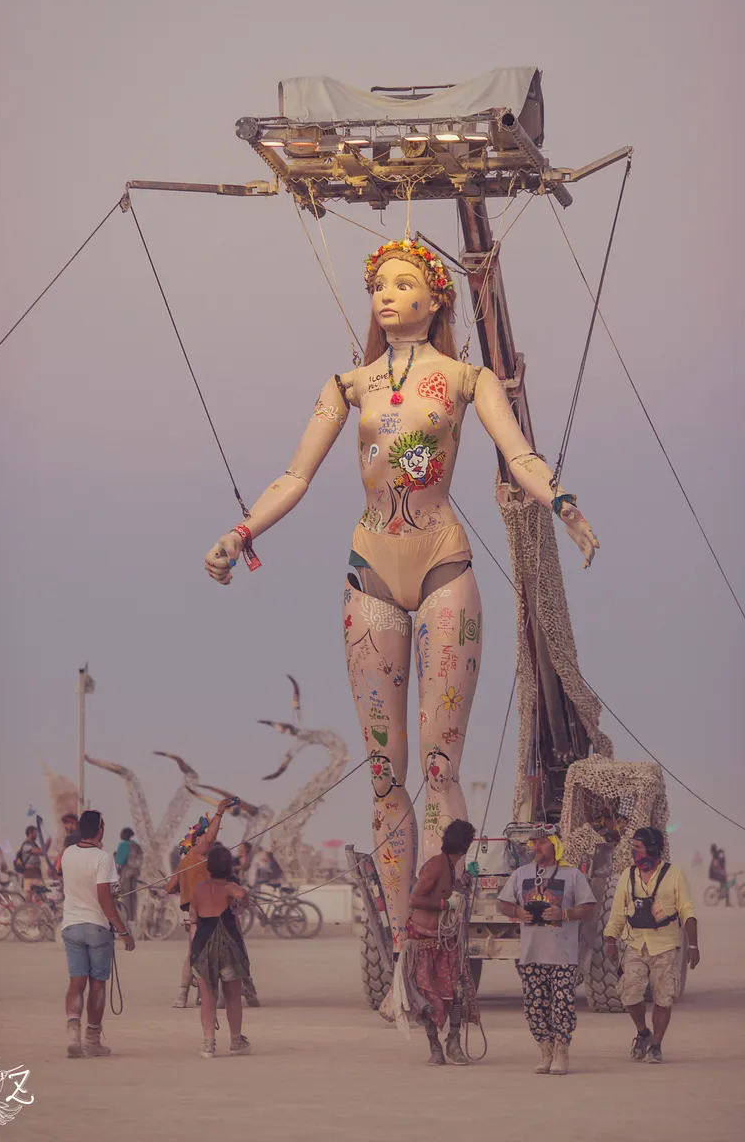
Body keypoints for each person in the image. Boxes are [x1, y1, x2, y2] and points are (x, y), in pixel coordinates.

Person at [205, 239, 600, 954]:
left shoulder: (467, 378)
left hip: (444, 566)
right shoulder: (347, 384)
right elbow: (295, 476)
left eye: (401, 282)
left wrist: (563, 502)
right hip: (371, 575)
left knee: (440, 766)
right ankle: (401, 950)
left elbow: (519, 455)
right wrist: (240, 533)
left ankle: (441, 931)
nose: (385, 295)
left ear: (436, 296)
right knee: (386, 775)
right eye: (378, 286)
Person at [498, 829, 596, 1075]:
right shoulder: (521, 874)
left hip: (563, 955)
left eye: (542, 843)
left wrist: (564, 914)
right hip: (531, 955)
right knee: (534, 1007)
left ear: (554, 845)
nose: (536, 847)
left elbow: (588, 907)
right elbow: (503, 904)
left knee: (563, 1005)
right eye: (534, 843)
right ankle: (546, 1052)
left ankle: (562, 1052)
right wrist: (517, 912)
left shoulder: (572, 875)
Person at [604, 827, 699, 1064]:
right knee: (629, 994)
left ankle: (656, 1044)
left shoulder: (674, 875)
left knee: (663, 997)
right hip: (635, 944)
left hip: (665, 946)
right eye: (633, 847)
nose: (633, 852)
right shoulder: (628, 875)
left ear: (653, 849)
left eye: (638, 847)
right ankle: (643, 1032)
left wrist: (693, 946)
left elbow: (687, 910)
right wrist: (610, 940)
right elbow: (617, 913)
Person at [394, 819, 478, 1066]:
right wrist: (444, 904)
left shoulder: (451, 867)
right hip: (422, 943)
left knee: (457, 991)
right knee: (427, 998)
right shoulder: (436, 865)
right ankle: (435, 1048)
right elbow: (415, 898)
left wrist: (465, 882)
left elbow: (450, 893)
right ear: (465, 845)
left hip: (446, 943)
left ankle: (454, 1042)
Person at [60, 809, 135, 1058]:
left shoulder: (68, 853)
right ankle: (92, 1040)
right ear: (100, 830)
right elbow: (104, 897)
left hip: (71, 925)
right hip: (96, 926)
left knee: (76, 981)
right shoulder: (103, 858)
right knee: (97, 985)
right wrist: (123, 931)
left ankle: (73, 1034)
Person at [165, 800, 237, 1009]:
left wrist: (182, 885)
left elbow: (169, 888)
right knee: (223, 952)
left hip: (194, 915)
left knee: (194, 954)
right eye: (204, 837)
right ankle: (220, 994)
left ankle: (183, 994)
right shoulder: (199, 853)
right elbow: (211, 837)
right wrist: (219, 813)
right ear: (197, 840)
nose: (208, 840)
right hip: (208, 914)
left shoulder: (185, 861)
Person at [190, 842, 252, 1058]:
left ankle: (208, 1044)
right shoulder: (229, 888)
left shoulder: (198, 889)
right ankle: (236, 1040)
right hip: (227, 947)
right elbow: (242, 894)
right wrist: (242, 901)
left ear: (209, 867)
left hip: (202, 947)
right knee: (233, 996)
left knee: (207, 998)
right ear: (229, 868)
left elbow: (193, 918)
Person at [114, 828, 143, 928]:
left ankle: (128, 918)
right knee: (133, 895)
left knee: (126, 895)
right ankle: (133, 918)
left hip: (126, 873)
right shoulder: (136, 845)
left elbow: (120, 861)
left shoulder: (123, 845)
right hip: (135, 873)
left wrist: (115, 855)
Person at [16, 825, 51, 900]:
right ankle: (28, 907)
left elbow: (43, 853)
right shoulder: (26, 845)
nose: (36, 835)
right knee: (29, 894)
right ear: (30, 833)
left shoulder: (34, 844)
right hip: (30, 873)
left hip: (36, 872)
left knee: (39, 895)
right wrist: (47, 843)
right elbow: (41, 851)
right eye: (35, 833)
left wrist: (48, 844)